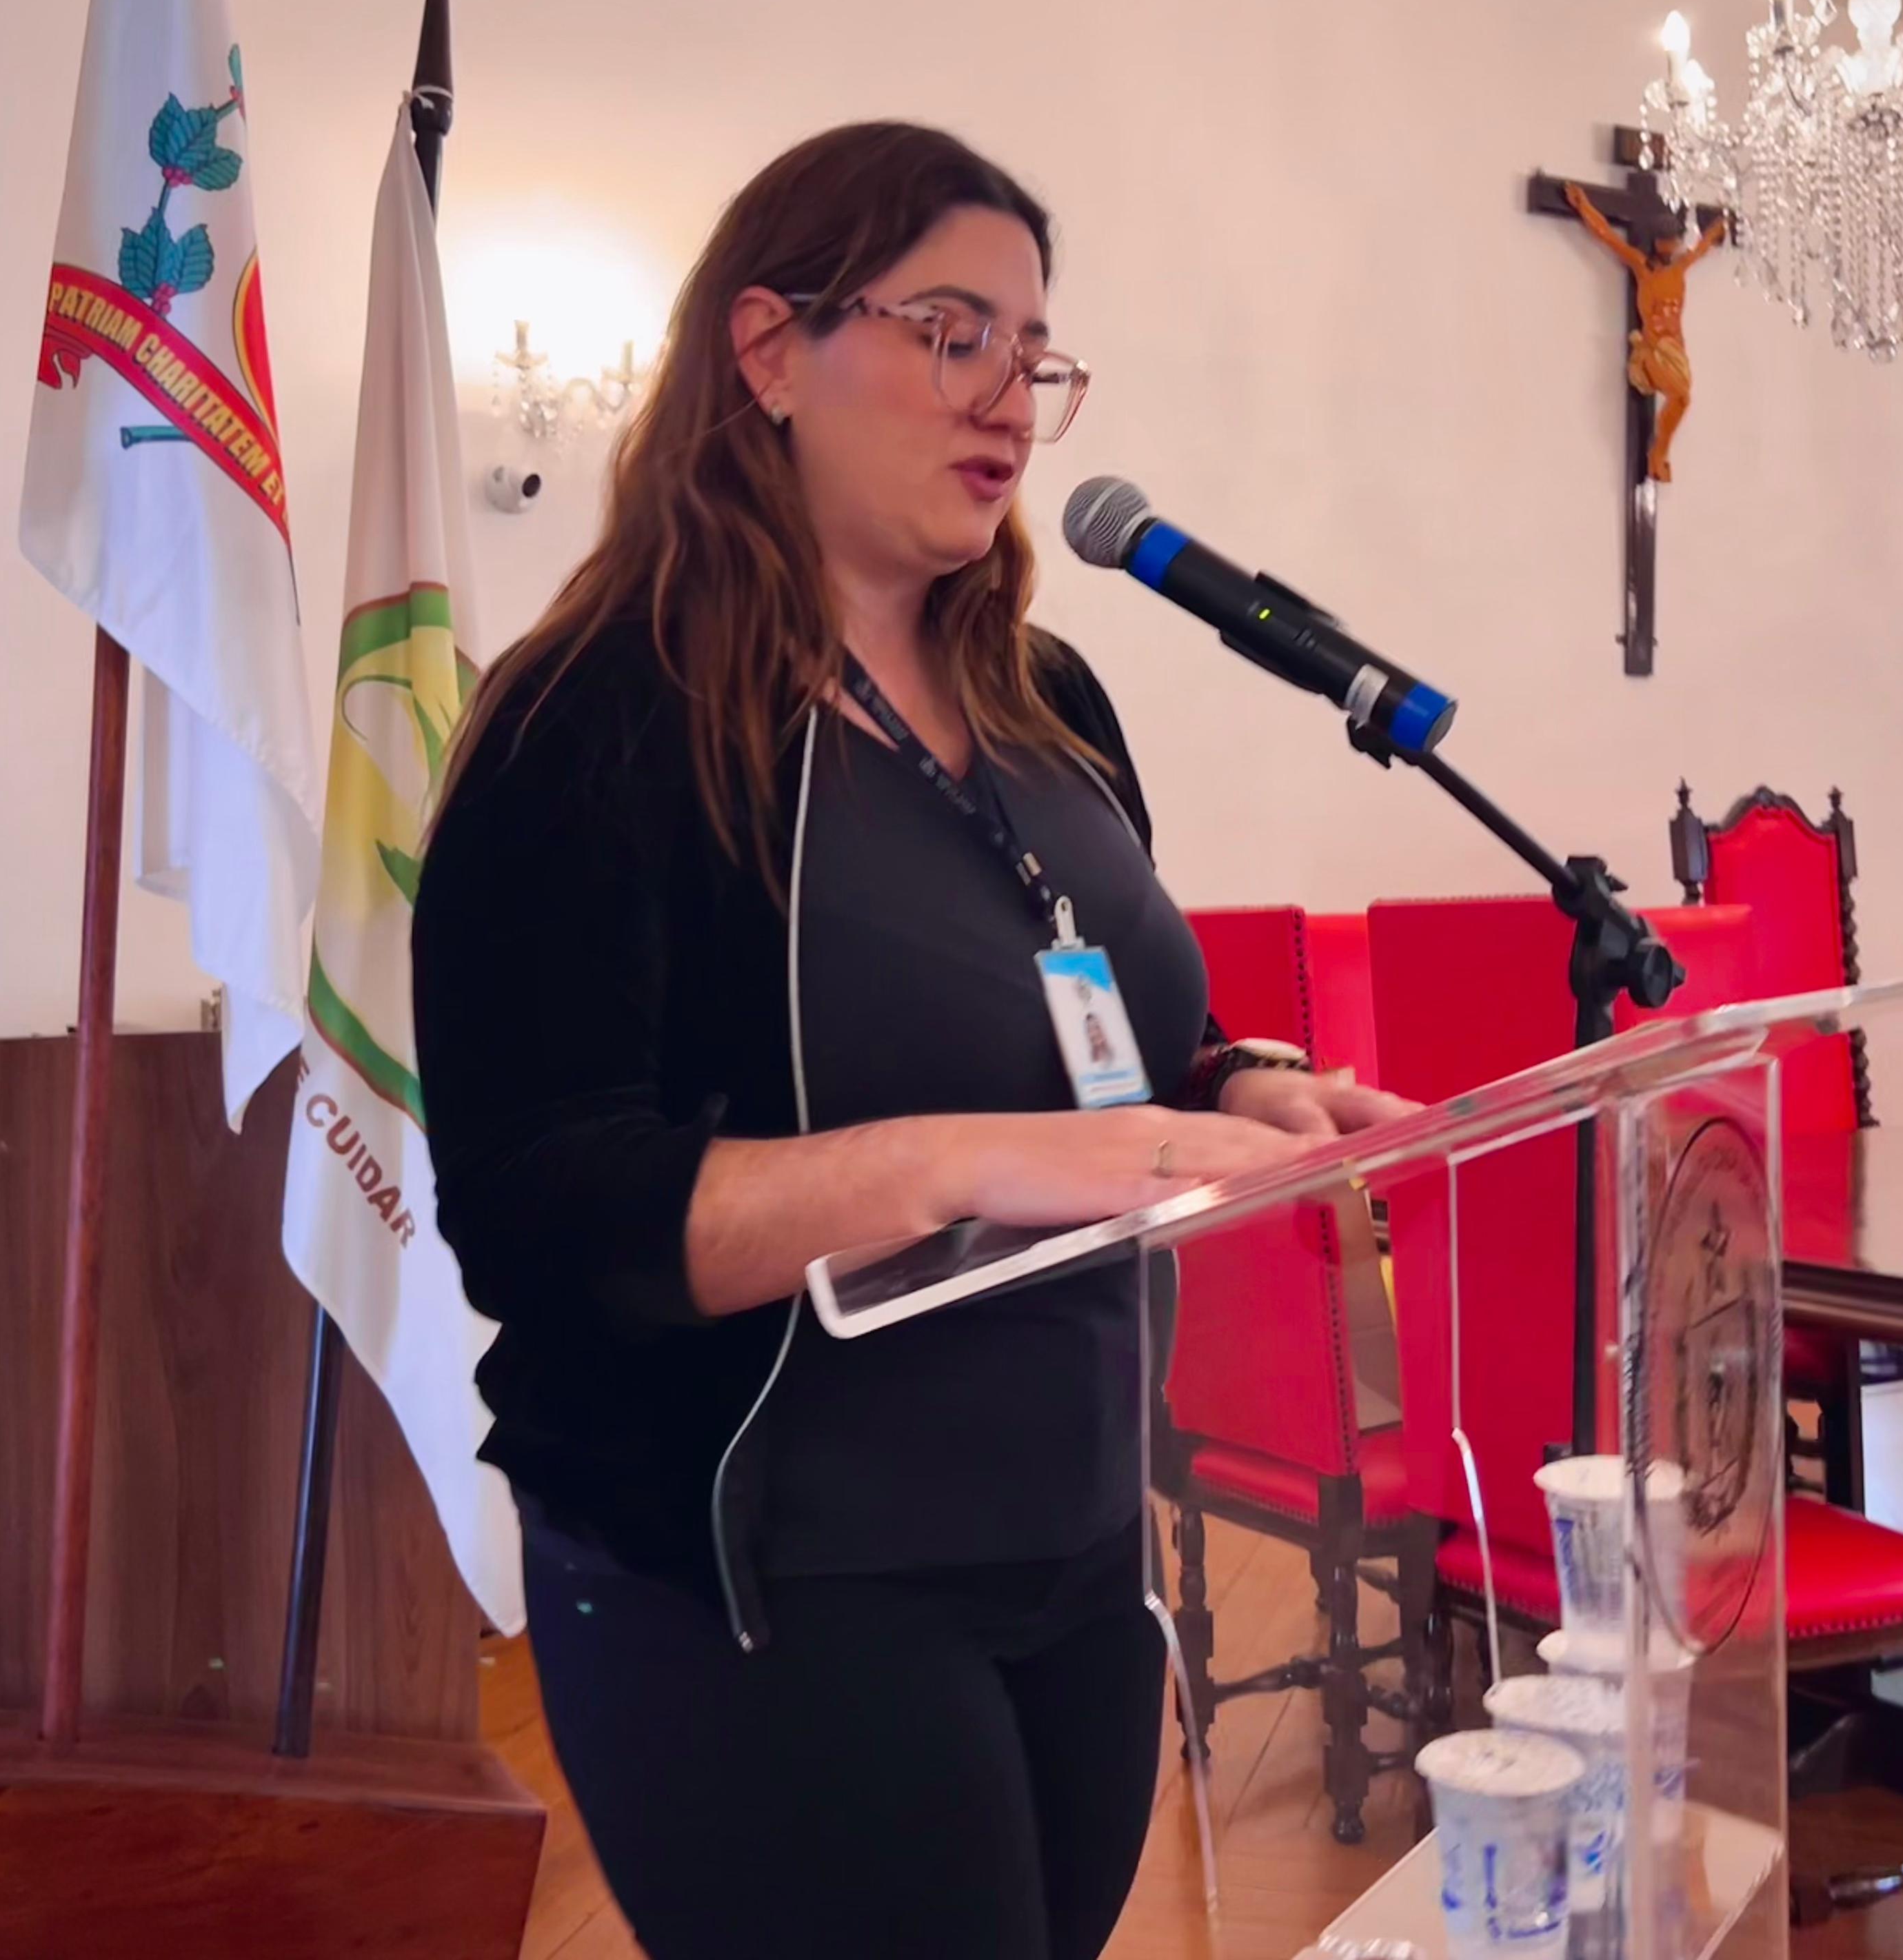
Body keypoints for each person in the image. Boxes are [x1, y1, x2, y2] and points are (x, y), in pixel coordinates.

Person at [413, 121, 1409, 1960]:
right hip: (777, 1579)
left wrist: (1235, 1081)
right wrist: (967, 1162)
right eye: (954, 333)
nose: (1011, 397)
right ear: (769, 350)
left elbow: (1080, 1017)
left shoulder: (1049, 694)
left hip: (1077, 1540)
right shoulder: (600, 716)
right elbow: (541, 1210)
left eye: (1035, 352)